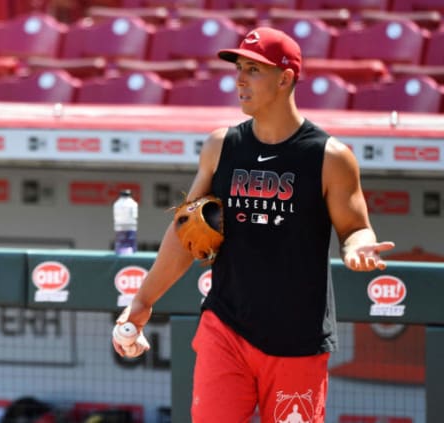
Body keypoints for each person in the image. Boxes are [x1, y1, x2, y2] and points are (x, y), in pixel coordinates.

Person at [112, 27, 395, 422]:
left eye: (254, 69)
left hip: (298, 339)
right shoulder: (221, 146)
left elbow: (355, 229)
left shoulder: (330, 156)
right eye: (238, 68)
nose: (240, 79)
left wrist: (358, 247)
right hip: (226, 328)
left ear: (285, 78)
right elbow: (184, 233)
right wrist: (142, 302)